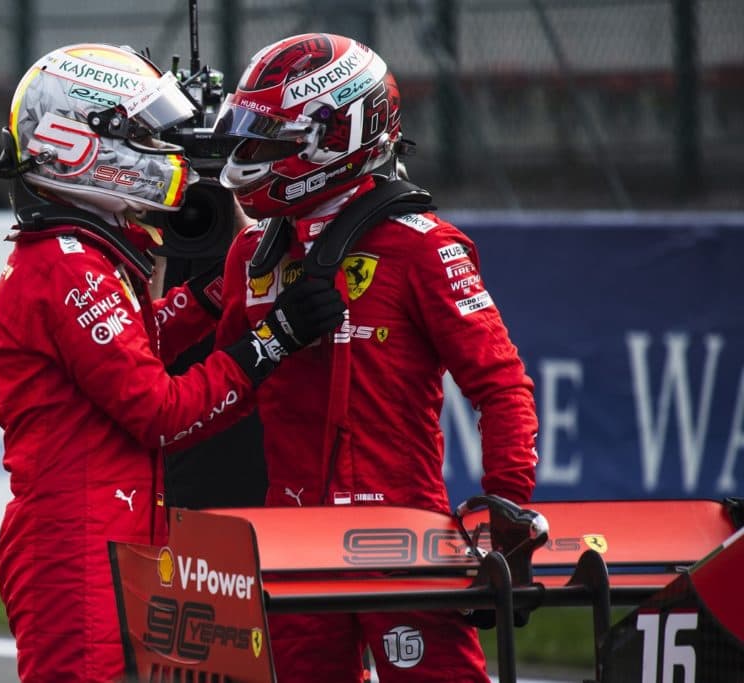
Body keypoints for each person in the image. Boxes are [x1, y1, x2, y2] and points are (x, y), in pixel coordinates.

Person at [0, 43, 345, 682]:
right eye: (144, 136)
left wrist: (212, 293)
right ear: (77, 140)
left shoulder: (76, 254)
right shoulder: (65, 266)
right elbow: (160, 411)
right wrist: (274, 342)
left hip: (108, 534)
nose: (164, 154)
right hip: (76, 545)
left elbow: (137, 347)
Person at [213, 33, 540, 682]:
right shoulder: (250, 256)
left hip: (403, 538)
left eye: (269, 140)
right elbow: (218, 391)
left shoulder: (424, 247)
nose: (249, 158)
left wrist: (506, 513)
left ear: (337, 136)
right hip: (290, 539)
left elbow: (502, 387)